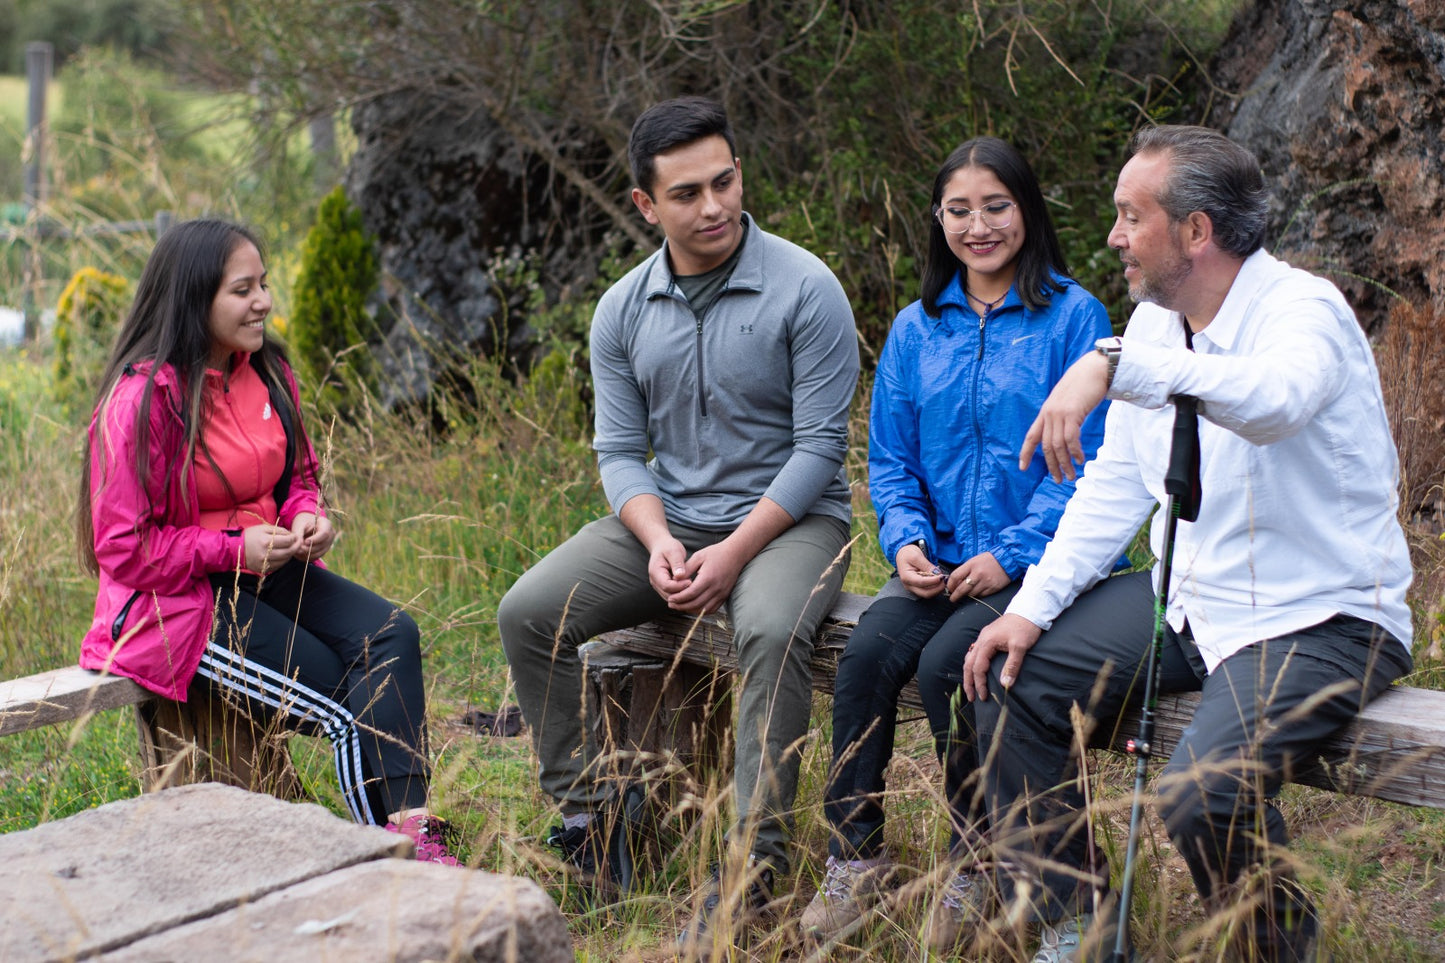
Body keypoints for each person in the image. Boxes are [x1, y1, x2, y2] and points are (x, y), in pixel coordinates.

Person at [954, 125, 1414, 963]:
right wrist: (1029, 609)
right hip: (1190, 599)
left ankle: (1269, 949)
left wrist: (1117, 367)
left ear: (1194, 231)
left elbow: (1272, 401)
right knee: (1003, 676)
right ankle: (1081, 928)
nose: (1113, 237)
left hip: (1322, 615)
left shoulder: (1302, 311)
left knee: (1199, 793)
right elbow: (1116, 487)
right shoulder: (1153, 326)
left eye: (1130, 217)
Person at [496, 96, 858, 954]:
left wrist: (730, 555)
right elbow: (619, 450)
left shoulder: (806, 288)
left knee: (768, 628)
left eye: (724, 181)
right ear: (645, 205)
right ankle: (595, 821)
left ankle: (750, 869)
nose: (714, 206)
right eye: (688, 193)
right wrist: (660, 541)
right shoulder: (622, 310)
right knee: (527, 611)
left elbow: (818, 449)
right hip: (672, 520)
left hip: (793, 521)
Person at [798, 137, 1120, 950]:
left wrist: (1009, 554)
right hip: (937, 562)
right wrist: (904, 538)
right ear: (936, 219)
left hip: (1033, 562)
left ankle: (972, 860)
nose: (978, 226)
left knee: (952, 666)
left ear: (1027, 210)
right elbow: (891, 456)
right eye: (958, 210)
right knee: (868, 653)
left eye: (996, 206)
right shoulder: (916, 328)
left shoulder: (1073, 318)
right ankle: (855, 858)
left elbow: (1087, 466)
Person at [77, 218, 460, 866]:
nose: (264, 301)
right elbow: (122, 549)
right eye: (243, 289)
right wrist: (232, 550)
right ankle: (399, 862)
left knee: (392, 635)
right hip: (177, 605)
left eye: (265, 284)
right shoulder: (142, 401)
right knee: (345, 697)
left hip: (269, 569)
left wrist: (308, 514)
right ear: (195, 299)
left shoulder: (269, 371)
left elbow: (299, 478)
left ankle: (411, 827)